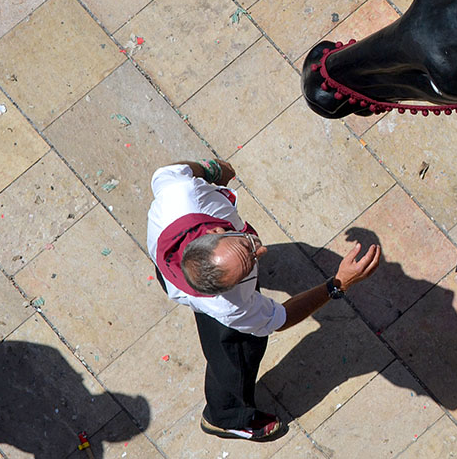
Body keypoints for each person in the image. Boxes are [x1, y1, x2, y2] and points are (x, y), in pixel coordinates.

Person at [145, 158, 380, 442]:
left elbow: (166, 172)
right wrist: (338, 283)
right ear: (224, 289)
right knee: (238, 351)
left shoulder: (180, 195)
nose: (261, 249)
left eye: (246, 245)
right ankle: (226, 417)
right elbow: (281, 318)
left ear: (215, 232)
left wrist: (212, 171)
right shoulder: (232, 305)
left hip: (175, 264)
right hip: (220, 306)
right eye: (249, 264)